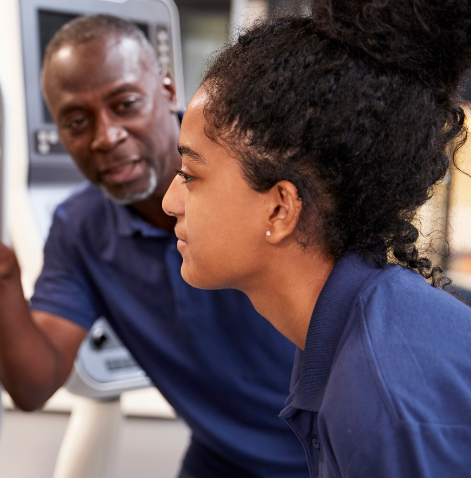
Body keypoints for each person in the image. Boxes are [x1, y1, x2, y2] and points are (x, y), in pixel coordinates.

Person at [0, 15, 307, 477]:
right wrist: (2, 282)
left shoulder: (259, 181)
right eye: (76, 121)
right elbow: (33, 387)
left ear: (169, 92)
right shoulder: (82, 228)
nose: (106, 136)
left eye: (125, 104)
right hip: (223, 459)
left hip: (331, 453)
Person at [161, 0, 471, 476]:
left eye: (189, 174)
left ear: (281, 208)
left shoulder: (380, 397)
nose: (170, 202)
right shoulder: (349, 333)